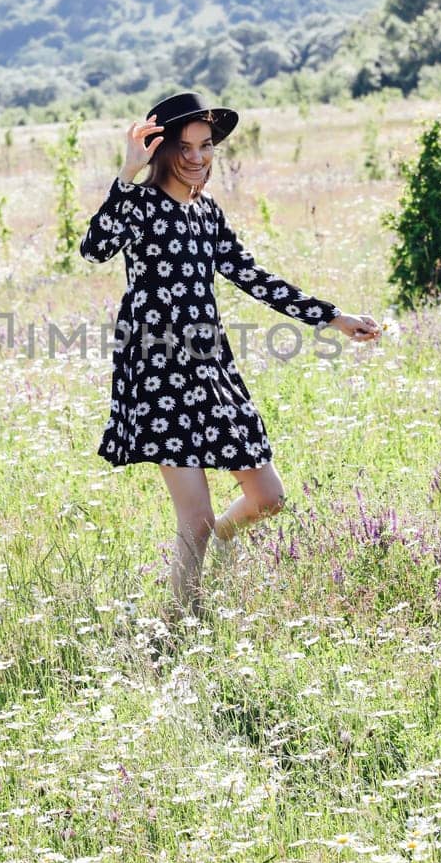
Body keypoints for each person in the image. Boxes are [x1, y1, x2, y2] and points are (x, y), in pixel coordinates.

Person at [79, 91, 380, 616]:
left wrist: (333, 317)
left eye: (207, 146)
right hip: (157, 372)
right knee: (191, 521)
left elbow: (252, 277)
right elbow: (94, 248)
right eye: (185, 146)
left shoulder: (207, 212)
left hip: (211, 367)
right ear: (160, 148)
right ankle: (181, 628)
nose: (198, 157)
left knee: (268, 498)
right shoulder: (140, 204)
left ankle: (223, 538)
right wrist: (126, 175)